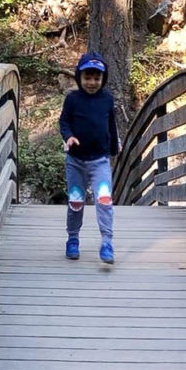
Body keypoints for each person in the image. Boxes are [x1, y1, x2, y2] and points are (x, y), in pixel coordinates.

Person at [59, 51, 120, 264]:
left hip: (100, 160)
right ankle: (73, 238)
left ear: (103, 79)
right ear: (79, 77)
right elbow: (64, 122)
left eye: (96, 78)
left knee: (104, 198)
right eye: (87, 78)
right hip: (75, 161)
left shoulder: (107, 99)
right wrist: (69, 137)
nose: (92, 82)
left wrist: (114, 148)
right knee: (76, 200)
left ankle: (107, 242)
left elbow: (111, 125)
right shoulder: (72, 99)